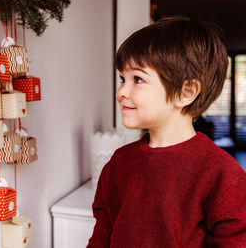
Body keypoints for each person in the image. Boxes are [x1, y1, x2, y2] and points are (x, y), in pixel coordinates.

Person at [87, 17, 246, 247]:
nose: (121, 91)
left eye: (137, 79)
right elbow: (101, 237)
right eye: (123, 78)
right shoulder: (118, 164)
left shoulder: (222, 175)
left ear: (186, 92)